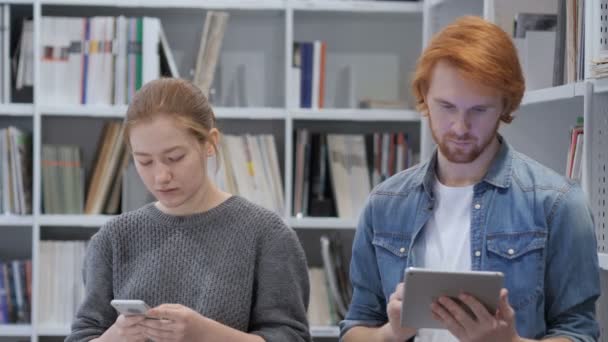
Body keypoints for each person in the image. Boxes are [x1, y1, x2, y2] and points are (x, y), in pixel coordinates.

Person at [340, 16, 600, 342]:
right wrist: (392, 332)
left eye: (479, 110)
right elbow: (354, 330)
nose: (461, 127)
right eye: (447, 106)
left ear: (505, 103)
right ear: (423, 95)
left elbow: (580, 333)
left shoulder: (558, 203)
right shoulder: (385, 204)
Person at [66, 78, 311, 342]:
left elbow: (291, 337)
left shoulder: (266, 234)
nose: (161, 176)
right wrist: (116, 336)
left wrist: (205, 334)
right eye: (145, 161)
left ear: (209, 143)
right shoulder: (113, 238)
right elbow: (83, 334)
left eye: (175, 158)